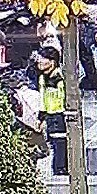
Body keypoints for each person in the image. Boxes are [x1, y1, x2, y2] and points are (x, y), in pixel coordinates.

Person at [34, 46, 68, 175]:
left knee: (60, 144)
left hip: (60, 115)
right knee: (54, 144)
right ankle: (58, 169)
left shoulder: (60, 77)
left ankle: (60, 169)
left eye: (43, 59)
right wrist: (40, 117)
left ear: (52, 62)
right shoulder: (43, 78)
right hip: (50, 116)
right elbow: (43, 99)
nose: (39, 61)